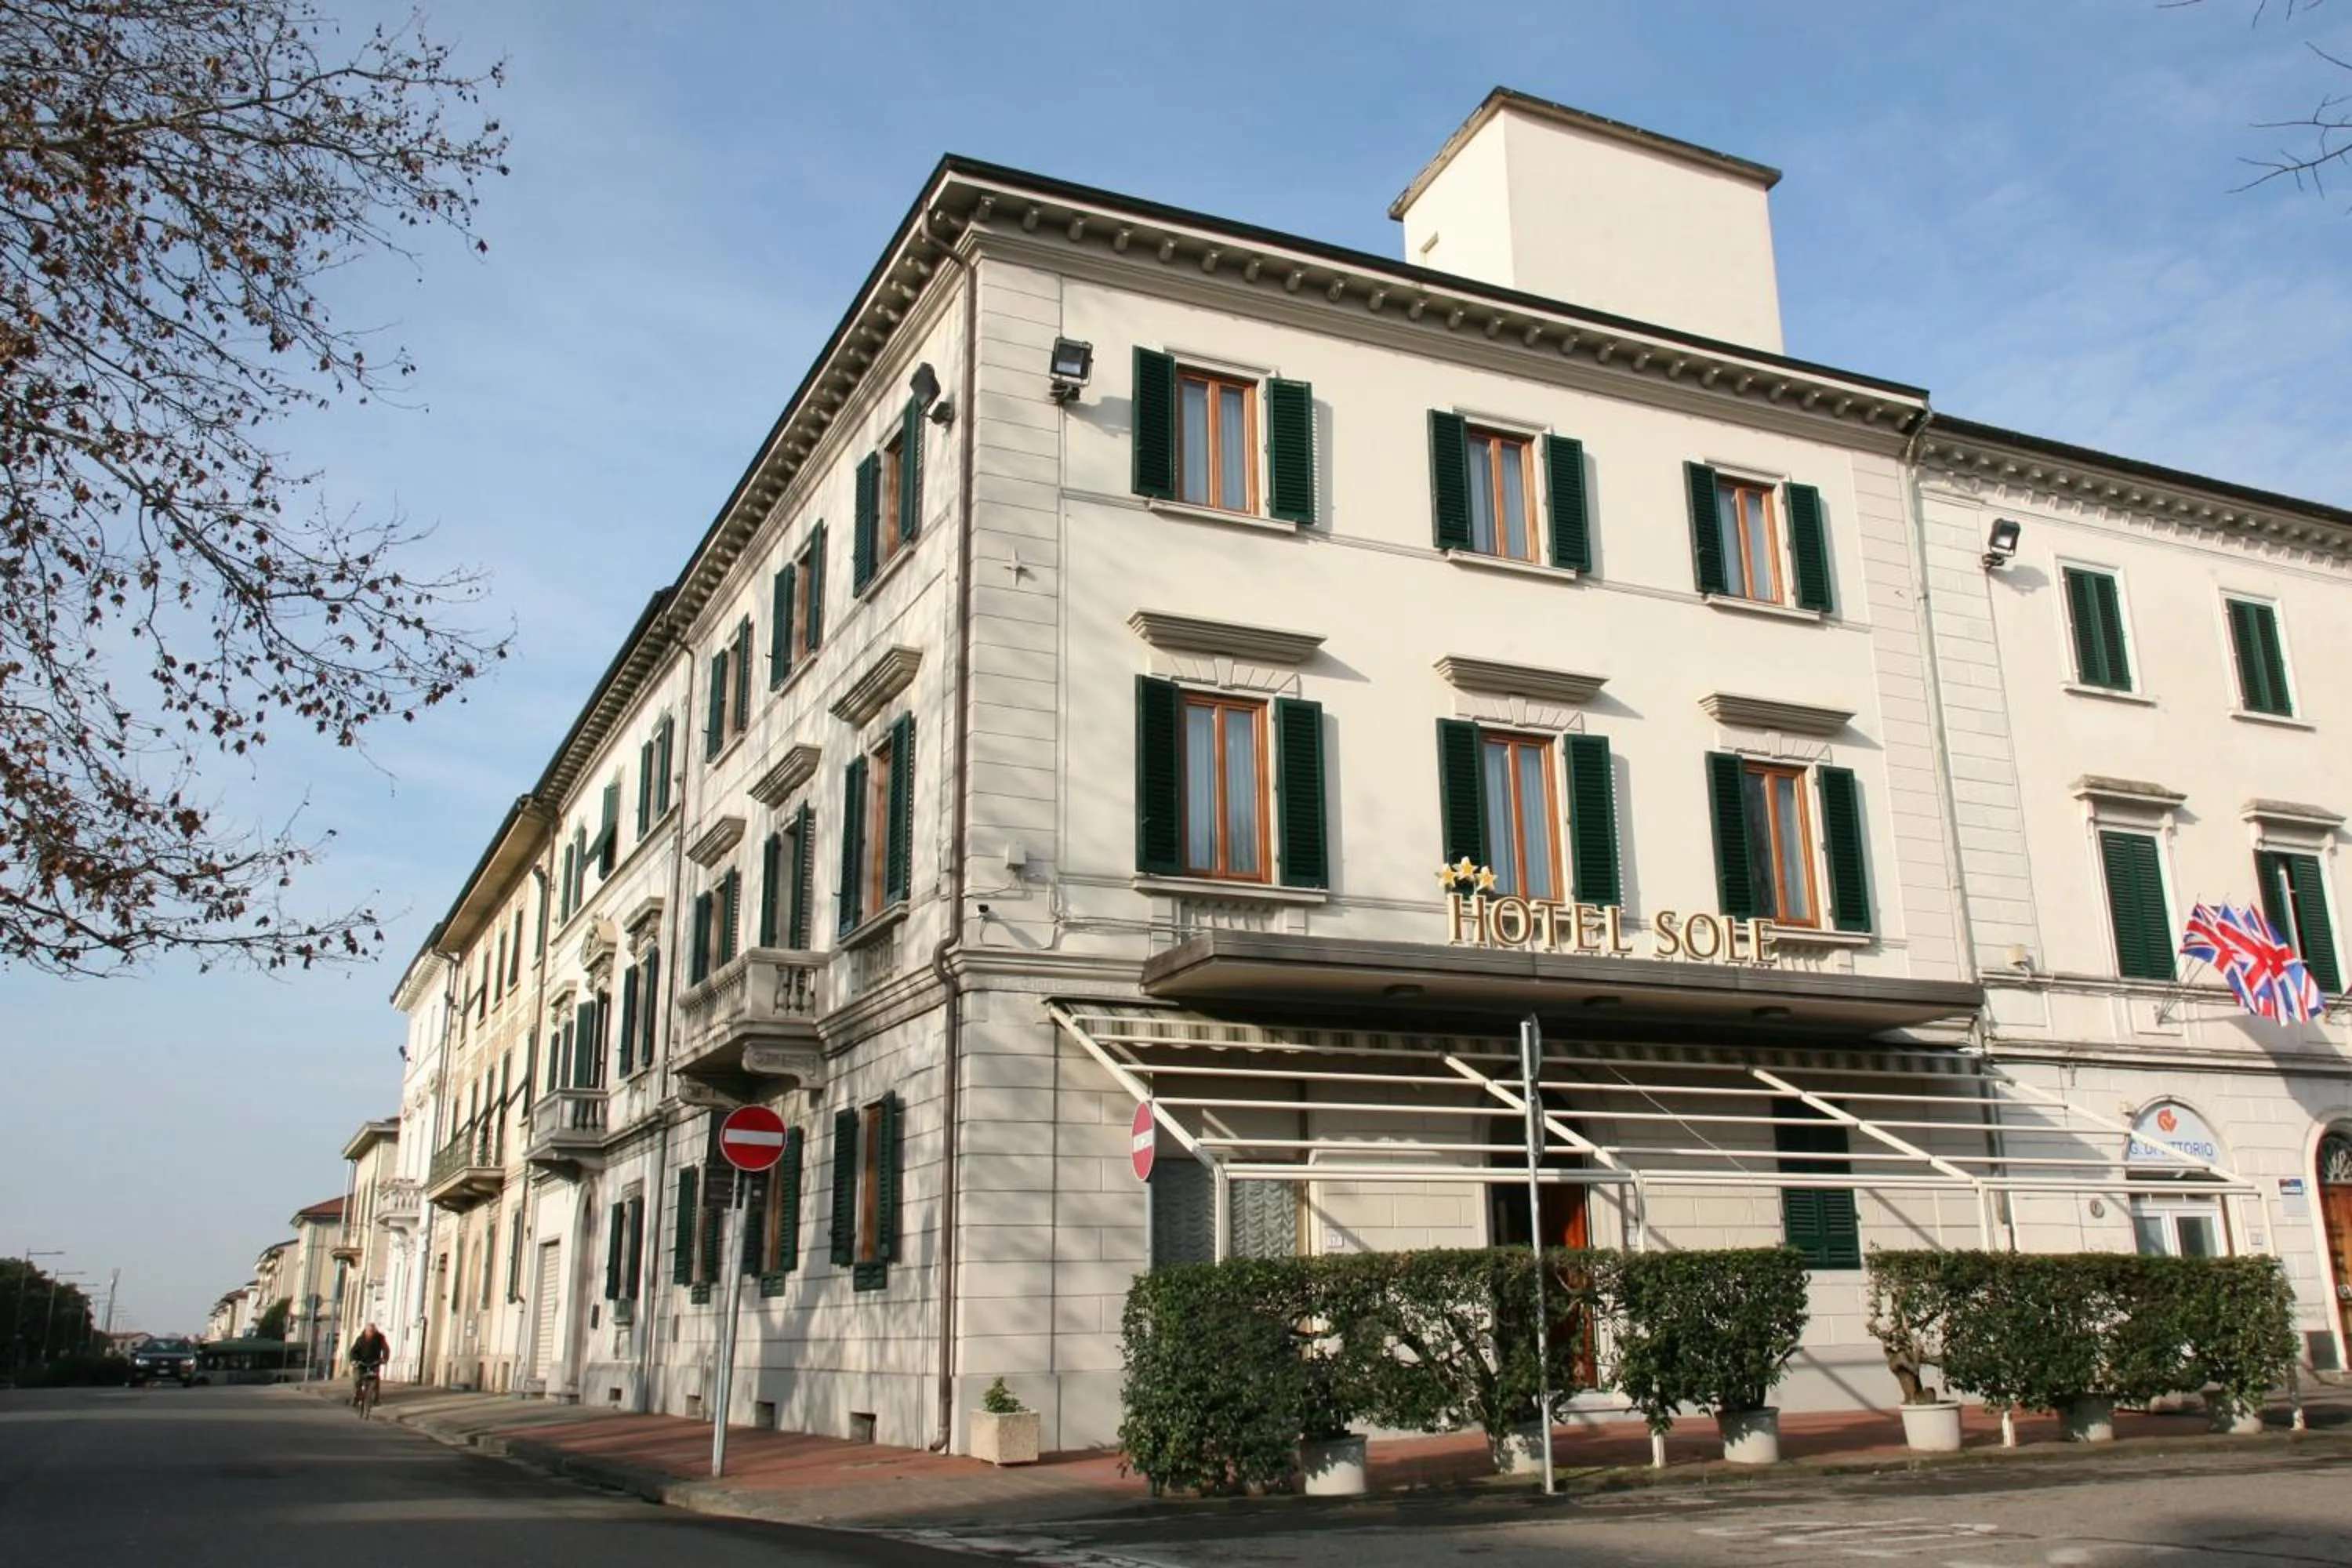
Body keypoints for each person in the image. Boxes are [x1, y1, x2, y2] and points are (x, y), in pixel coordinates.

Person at [347, 1322, 389, 1406]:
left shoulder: (380, 1338)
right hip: (361, 1363)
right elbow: (353, 1351)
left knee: (375, 1380)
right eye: (369, 1331)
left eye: (373, 1331)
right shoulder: (360, 1339)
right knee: (357, 1378)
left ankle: (375, 1399)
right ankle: (355, 1397)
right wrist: (354, 1360)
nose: (371, 1332)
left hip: (374, 1363)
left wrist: (384, 1359)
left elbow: (386, 1349)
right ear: (366, 1331)